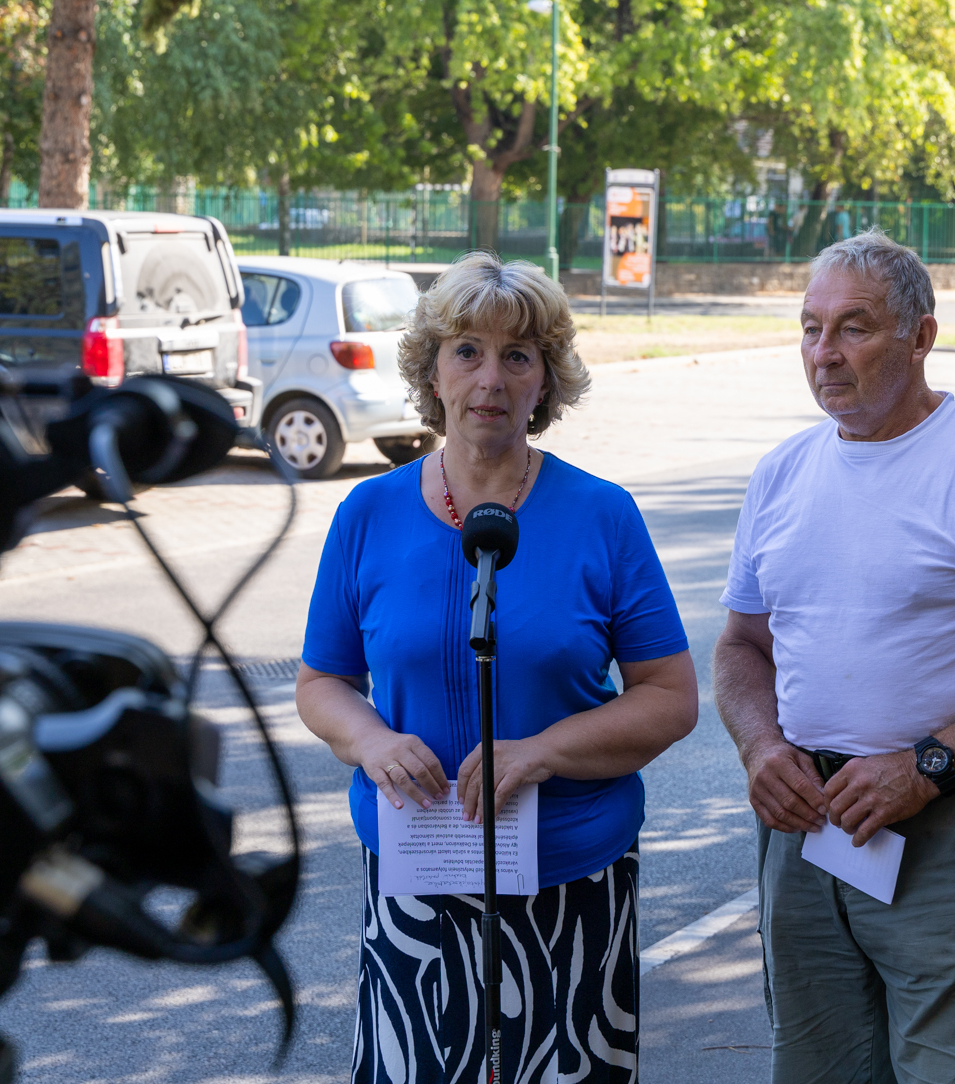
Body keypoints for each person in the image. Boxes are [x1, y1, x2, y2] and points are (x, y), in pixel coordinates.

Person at [713, 229, 955, 1084]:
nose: (825, 354)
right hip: (809, 821)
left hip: (952, 821)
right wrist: (760, 747)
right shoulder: (783, 472)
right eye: (811, 328)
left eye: (853, 327)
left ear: (920, 336)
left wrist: (927, 766)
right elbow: (743, 646)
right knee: (820, 1068)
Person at [295, 250, 698, 1084]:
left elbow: (670, 698)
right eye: (467, 351)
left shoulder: (602, 516)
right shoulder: (366, 513)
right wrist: (369, 739)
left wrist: (540, 751)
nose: (491, 377)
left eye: (518, 356)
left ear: (546, 382)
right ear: (432, 372)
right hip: (415, 884)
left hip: (570, 884)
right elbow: (322, 682)